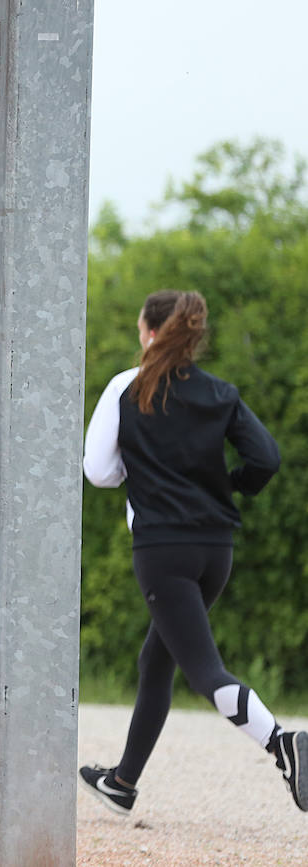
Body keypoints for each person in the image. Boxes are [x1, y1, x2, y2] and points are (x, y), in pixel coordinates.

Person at [79, 289, 303, 815]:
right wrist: (229, 484)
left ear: (150, 331)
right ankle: (122, 783)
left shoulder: (127, 388)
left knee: (205, 672)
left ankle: (285, 744)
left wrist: (146, 474)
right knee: (156, 659)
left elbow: (99, 473)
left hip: (163, 550)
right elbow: (266, 458)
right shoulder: (219, 392)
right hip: (215, 549)